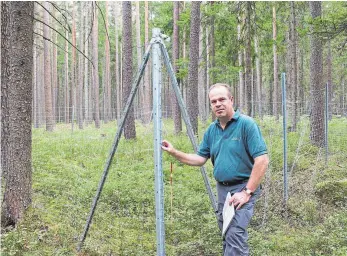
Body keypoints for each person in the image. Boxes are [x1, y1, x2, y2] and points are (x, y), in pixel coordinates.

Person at [161, 83, 269, 256]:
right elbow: (199, 159)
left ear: (231, 100)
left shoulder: (246, 125)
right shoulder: (212, 130)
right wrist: (174, 152)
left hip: (242, 187)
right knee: (227, 233)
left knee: (235, 235)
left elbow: (262, 160)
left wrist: (247, 192)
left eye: (222, 99)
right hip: (223, 190)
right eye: (213, 101)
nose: (218, 104)